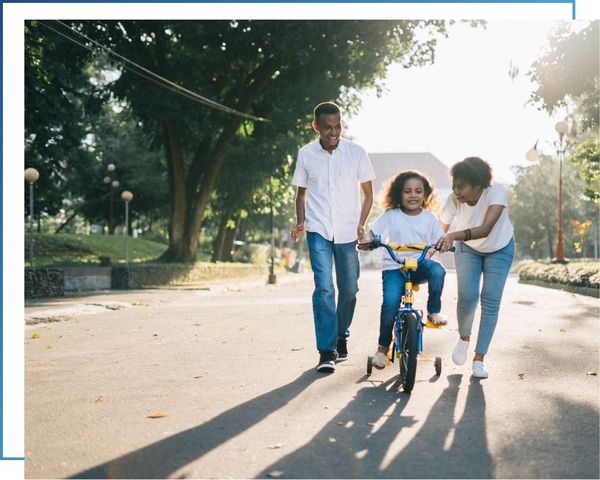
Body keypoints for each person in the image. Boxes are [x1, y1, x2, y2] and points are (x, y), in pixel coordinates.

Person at [291, 102, 375, 373]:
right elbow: (301, 194)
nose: (333, 132)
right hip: (318, 230)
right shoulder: (306, 154)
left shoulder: (356, 153)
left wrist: (362, 224)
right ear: (316, 126)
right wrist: (301, 221)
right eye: (327, 127)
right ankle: (326, 350)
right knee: (325, 287)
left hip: (348, 231)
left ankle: (342, 336)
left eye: (338, 126)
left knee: (349, 289)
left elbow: (369, 194)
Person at [360, 170, 448, 370]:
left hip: (419, 265)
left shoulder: (429, 218)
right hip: (394, 266)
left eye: (418, 191)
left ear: (425, 195)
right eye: (407, 191)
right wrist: (367, 241)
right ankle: (382, 349)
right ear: (399, 193)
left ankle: (434, 312)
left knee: (438, 271)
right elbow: (372, 234)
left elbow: (440, 238)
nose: (413, 195)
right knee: (390, 303)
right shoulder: (391, 215)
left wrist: (443, 243)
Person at [436, 157, 515, 379]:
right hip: (468, 249)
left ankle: (479, 359)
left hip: (499, 248)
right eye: (454, 185)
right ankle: (464, 338)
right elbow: (438, 231)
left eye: (461, 186)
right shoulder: (454, 200)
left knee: (490, 299)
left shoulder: (496, 191)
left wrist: (453, 235)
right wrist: (428, 251)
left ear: (478, 184)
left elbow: (486, 229)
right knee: (468, 297)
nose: (455, 191)